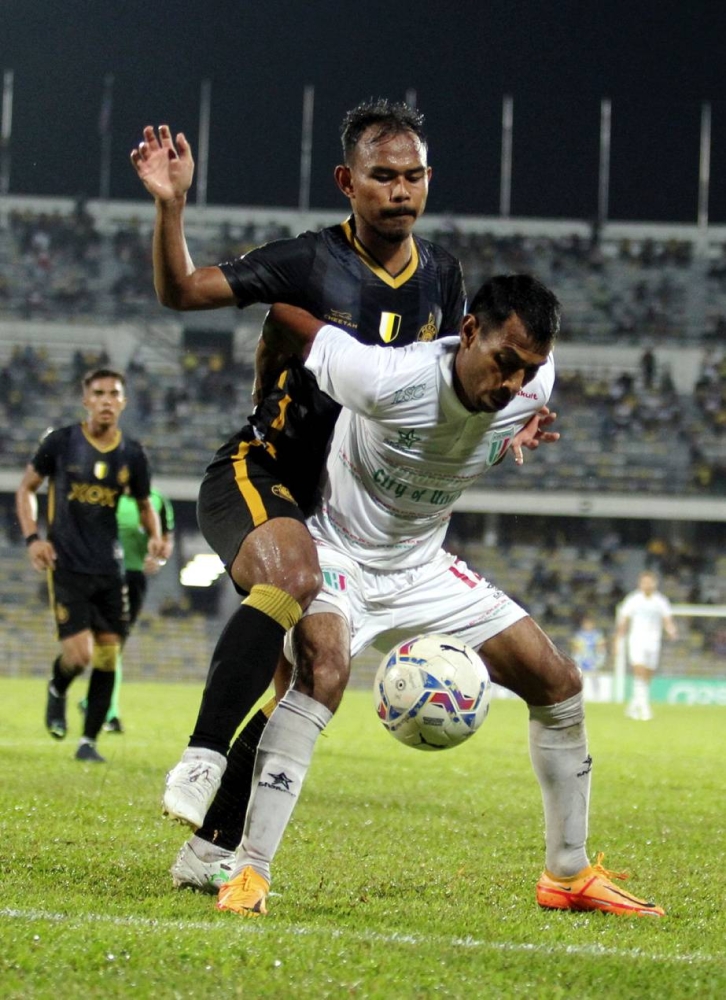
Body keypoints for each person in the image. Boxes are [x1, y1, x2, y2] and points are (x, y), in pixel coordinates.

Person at [211, 275, 664, 920]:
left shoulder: (534, 382)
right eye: (505, 362)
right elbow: (283, 314)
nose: (513, 383)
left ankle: (566, 872)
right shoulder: (380, 375)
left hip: (422, 566)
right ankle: (249, 870)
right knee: (324, 675)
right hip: (340, 551)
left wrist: (510, 440)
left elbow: (474, 431)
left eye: (528, 370)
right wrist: (264, 402)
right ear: (470, 333)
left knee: (558, 682)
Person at [131, 100, 468, 881]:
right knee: (291, 576)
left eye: (413, 175)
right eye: (383, 176)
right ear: (348, 182)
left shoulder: (446, 278)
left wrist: (514, 413)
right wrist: (173, 207)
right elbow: (181, 292)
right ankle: (202, 756)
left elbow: (460, 381)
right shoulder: (309, 262)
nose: (401, 190)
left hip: (339, 513)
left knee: (318, 676)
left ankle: (208, 851)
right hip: (260, 473)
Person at [15, 369, 164, 762]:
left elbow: (146, 504)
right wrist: (33, 538)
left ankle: (88, 742)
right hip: (66, 564)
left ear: (123, 402)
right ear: (85, 399)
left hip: (110, 569)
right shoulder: (61, 442)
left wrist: (158, 538)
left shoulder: (132, 453)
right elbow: (26, 489)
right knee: (79, 656)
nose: (106, 400)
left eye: (114, 394)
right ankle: (58, 686)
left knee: (108, 655)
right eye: (98, 393)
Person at [80, 488, 175, 733]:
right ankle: (99, 704)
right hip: (99, 575)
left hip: (132, 578)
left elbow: (166, 540)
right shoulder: (104, 493)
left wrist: (159, 558)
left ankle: (104, 709)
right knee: (101, 642)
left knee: (115, 644)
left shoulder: (157, 501)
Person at [616, 570, 678, 721]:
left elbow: (667, 619)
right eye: (644, 582)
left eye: (650, 582)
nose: (647, 584)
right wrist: (618, 639)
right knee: (639, 671)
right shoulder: (633, 599)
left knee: (647, 676)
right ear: (640, 583)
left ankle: (633, 705)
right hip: (636, 640)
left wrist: (671, 630)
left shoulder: (660, 601)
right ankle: (645, 709)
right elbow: (624, 620)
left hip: (654, 642)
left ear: (655, 583)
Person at [571, 614, 607, 701]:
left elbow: (601, 647)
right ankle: (581, 697)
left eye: (589, 624)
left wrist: (600, 658)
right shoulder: (579, 635)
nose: (588, 626)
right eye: (586, 624)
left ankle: (597, 696)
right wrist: (576, 658)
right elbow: (576, 647)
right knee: (582, 679)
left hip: (594, 659)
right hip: (582, 659)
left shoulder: (597, 634)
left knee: (595, 678)